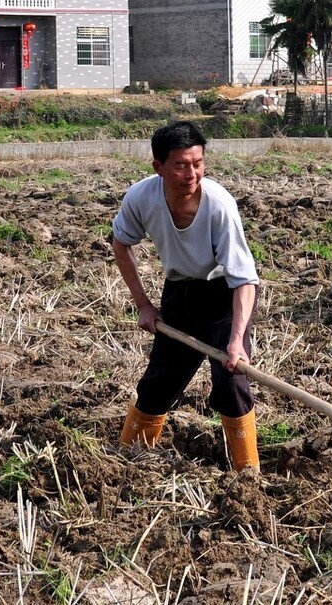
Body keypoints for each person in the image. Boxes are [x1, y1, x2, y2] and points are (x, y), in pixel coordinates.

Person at [111, 121, 261, 472]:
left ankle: (247, 473)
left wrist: (236, 341)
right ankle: (128, 460)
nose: (191, 173)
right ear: (158, 167)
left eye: (198, 163)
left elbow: (244, 281)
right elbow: (121, 245)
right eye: (181, 165)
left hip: (224, 296)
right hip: (179, 293)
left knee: (231, 385)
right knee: (158, 383)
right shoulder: (141, 198)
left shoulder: (219, 206)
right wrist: (144, 305)